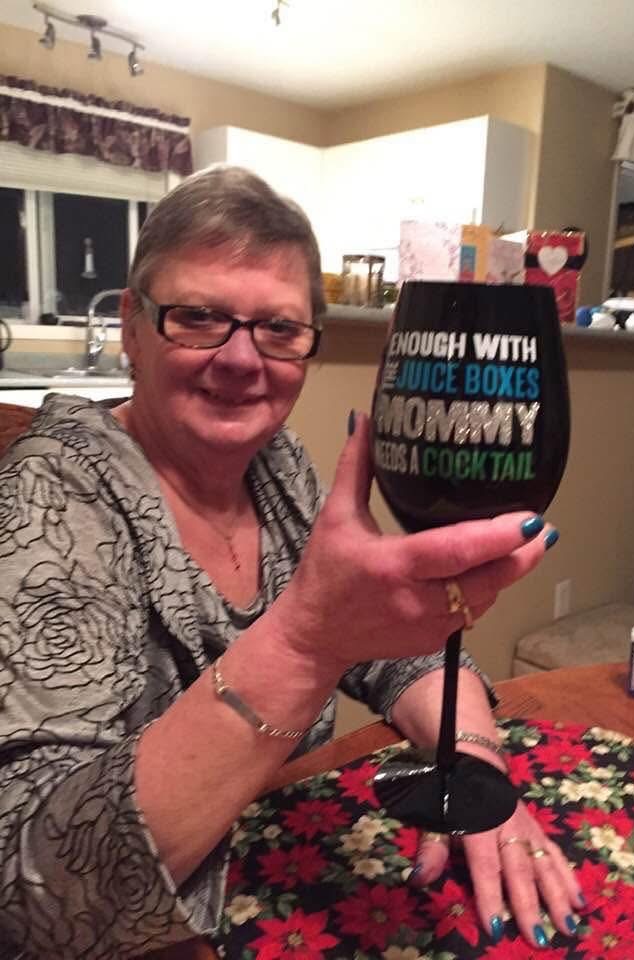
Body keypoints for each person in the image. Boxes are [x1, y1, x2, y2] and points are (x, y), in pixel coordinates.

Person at [0, 165, 583, 959]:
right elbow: (29, 893)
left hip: (285, 885)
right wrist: (307, 640)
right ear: (132, 326)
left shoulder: (278, 467)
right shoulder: (50, 494)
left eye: (278, 328)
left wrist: (473, 764)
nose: (243, 359)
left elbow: (395, 652)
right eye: (199, 316)